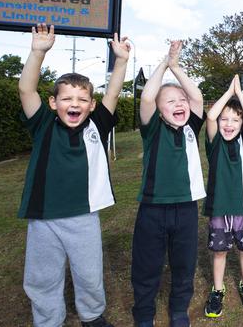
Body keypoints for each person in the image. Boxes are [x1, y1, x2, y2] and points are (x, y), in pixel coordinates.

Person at [17, 24, 129, 327]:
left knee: (89, 272)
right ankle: (48, 319)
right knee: (43, 276)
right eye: (66, 99)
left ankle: (92, 316)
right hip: (43, 217)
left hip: (83, 216)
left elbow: (115, 92)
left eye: (82, 100)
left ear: (91, 105)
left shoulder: (98, 125)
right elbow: (26, 89)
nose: (74, 104)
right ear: (53, 103)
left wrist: (121, 61)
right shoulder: (43, 125)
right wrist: (38, 52)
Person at [132, 41, 205, 327]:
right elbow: (147, 98)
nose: (179, 104)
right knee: (147, 264)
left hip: (186, 208)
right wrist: (164, 65)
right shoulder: (153, 129)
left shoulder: (191, 127)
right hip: (153, 207)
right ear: (160, 111)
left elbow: (197, 97)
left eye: (181, 100)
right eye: (171, 101)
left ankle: (178, 309)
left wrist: (177, 68)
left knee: (184, 263)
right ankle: (144, 312)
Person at [203, 75, 243, 317]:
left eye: (234, 120)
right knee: (219, 251)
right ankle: (217, 290)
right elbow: (209, 116)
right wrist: (229, 92)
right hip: (219, 207)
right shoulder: (214, 142)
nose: (228, 124)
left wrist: (239, 94)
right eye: (224, 119)